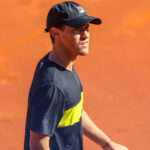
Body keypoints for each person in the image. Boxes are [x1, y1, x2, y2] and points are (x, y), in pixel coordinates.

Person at [24, 1, 128, 150]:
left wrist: (107, 143)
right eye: (77, 30)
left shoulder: (65, 65)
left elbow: (73, 109)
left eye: (87, 28)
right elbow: (38, 143)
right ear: (55, 33)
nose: (85, 35)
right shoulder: (52, 85)